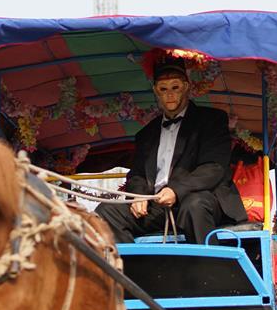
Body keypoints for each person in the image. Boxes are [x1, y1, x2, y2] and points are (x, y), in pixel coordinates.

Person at [95, 54, 247, 244]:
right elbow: (137, 174)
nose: (170, 94)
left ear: (186, 87)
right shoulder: (146, 133)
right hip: (156, 205)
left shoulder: (212, 120)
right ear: (156, 92)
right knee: (106, 211)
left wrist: (176, 190)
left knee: (194, 205)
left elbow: (214, 168)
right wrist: (139, 196)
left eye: (175, 87)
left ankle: (209, 270)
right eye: (163, 89)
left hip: (200, 199)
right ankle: (132, 270)